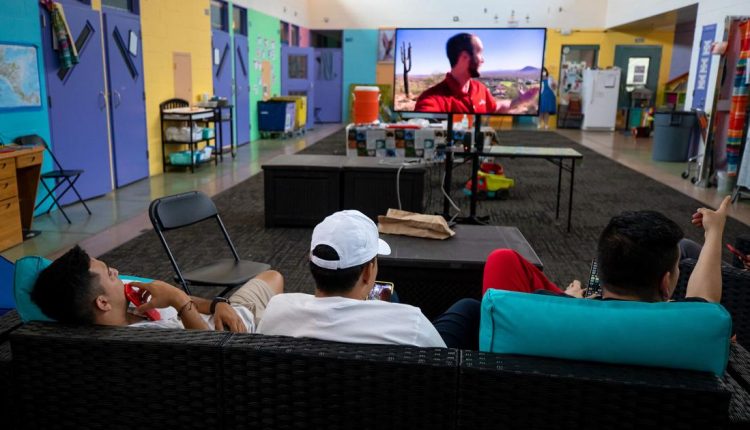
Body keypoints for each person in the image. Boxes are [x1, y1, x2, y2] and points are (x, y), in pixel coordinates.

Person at [257, 210, 481, 349]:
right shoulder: (411, 325)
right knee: (468, 308)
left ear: (311, 262)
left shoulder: (276, 311)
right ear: (367, 272)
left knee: (390, 296)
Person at [483, 196, 732, 305]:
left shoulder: (545, 313)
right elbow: (706, 303)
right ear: (666, 284)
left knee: (502, 258)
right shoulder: (688, 327)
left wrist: (569, 300)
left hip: (576, 317)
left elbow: (502, 262)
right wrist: (714, 232)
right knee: (685, 248)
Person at [30, 245, 284, 332]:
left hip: (229, 313)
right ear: (102, 303)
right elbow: (212, 350)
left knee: (273, 276)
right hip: (241, 331)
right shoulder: (144, 337)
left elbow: (187, 302)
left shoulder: (126, 304)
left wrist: (219, 304)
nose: (116, 272)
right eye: (109, 273)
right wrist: (177, 299)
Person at [414, 33, 510, 114]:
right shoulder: (432, 100)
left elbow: (494, 109)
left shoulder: (480, 89)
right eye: (479, 52)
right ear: (464, 57)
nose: (483, 60)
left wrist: (518, 100)